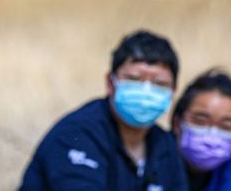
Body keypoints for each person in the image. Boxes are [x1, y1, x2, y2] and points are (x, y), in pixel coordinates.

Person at [20, 30, 188, 190]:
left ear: (173, 91)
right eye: (134, 80)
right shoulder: (78, 133)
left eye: (159, 84)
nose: (146, 92)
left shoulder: (164, 145)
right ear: (110, 83)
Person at [170, 69, 231, 190]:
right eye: (200, 121)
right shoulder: (150, 156)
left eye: (225, 127)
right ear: (177, 123)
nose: (212, 133)